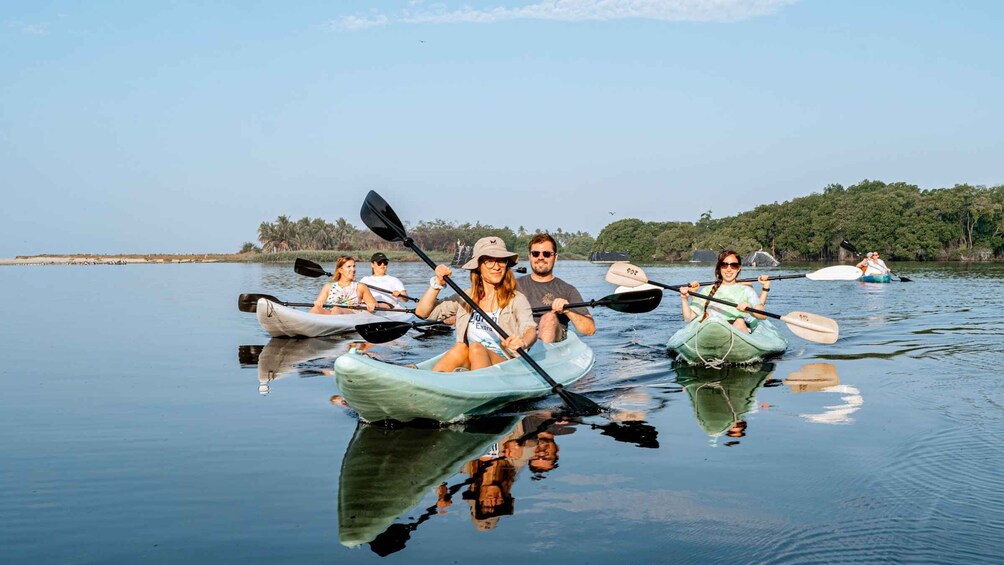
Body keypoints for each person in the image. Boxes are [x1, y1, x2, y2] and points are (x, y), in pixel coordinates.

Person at [415, 236, 537, 372]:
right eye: (489, 261)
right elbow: (423, 313)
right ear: (478, 266)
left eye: (501, 261)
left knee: (476, 348)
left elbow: (530, 329)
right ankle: (435, 381)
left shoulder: (516, 299)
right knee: (461, 347)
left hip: (507, 364)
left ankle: (476, 385)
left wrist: (523, 341)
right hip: (472, 358)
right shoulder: (466, 297)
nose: (497, 267)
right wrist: (437, 284)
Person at [516, 233, 595, 343]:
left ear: (555, 257)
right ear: (530, 256)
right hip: (521, 338)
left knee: (549, 318)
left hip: (552, 342)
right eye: (535, 253)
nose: (540, 257)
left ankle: (541, 352)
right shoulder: (513, 285)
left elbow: (590, 330)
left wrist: (568, 310)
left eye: (547, 254)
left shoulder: (567, 290)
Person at [679, 249, 772, 334]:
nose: (729, 269)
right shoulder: (707, 290)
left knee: (739, 321)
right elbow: (688, 318)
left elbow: (763, 316)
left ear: (739, 268)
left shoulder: (747, 290)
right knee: (708, 320)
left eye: (734, 265)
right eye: (724, 265)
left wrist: (750, 310)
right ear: (719, 268)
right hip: (712, 330)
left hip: (738, 330)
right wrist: (684, 299)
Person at [309, 255, 378, 315]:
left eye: (354, 266)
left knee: (336, 309)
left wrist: (372, 306)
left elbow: (375, 305)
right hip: (329, 315)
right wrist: (318, 304)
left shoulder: (360, 287)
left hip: (351, 316)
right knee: (315, 309)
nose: (353, 269)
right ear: (340, 270)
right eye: (349, 266)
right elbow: (319, 303)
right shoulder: (328, 286)